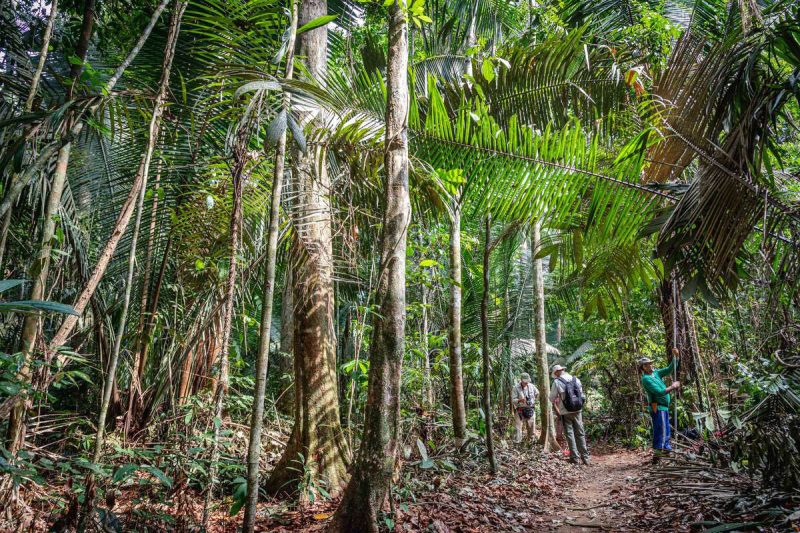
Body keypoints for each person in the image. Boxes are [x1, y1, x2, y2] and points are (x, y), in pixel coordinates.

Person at [639, 349, 681, 460]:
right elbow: (659, 392)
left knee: (665, 428)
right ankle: (660, 453)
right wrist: (673, 386)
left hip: (664, 407)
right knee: (661, 429)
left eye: (651, 363)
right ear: (643, 367)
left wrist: (675, 357)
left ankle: (663, 452)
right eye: (648, 364)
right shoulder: (646, 379)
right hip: (657, 406)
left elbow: (668, 369)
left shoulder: (655, 373)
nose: (651, 365)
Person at [549, 364, 590, 465]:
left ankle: (575, 458)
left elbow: (551, 398)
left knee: (570, 434)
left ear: (557, 372)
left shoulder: (557, 382)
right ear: (563, 370)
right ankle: (585, 458)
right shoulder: (575, 379)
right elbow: (582, 395)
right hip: (578, 410)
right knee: (580, 433)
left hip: (565, 412)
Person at [511, 373, 538, 444]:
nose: (526, 383)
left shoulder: (532, 386)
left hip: (530, 409)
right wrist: (520, 400)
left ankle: (531, 442)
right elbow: (513, 400)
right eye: (525, 381)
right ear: (521, 380)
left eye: (527, 381)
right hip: (520, 410)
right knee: (518, 427)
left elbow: (537, 393)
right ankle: (518, 442)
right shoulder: (516, 387)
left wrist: (534, 399)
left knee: (532, 427)